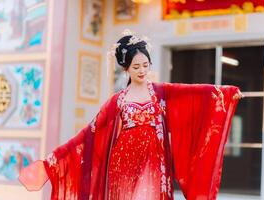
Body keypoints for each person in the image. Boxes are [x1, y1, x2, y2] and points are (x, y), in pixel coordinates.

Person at [19, 31, 243, 200]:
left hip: (155, 164)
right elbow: (88, 135)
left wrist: (227, 93)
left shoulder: (161, 92)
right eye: (136, 67)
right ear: (126, 69)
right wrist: (53, 160)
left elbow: (195, 93)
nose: (142, 71)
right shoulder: (118, 101)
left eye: (145, 65)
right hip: (123, 165)